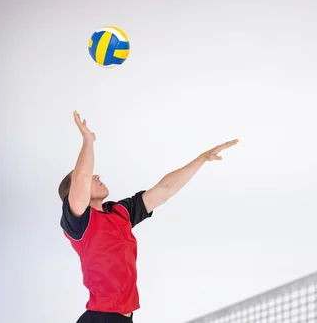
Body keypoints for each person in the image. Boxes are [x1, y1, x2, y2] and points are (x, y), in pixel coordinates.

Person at [59, 111, 239, 323]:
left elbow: (164, 189)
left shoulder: (119, 212)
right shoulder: (78, 222)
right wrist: (88, 141)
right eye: (90, 176)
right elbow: (81, 176)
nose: (95, 175)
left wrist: (201, 159)